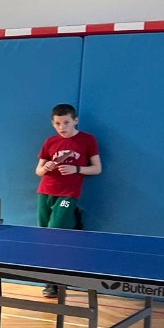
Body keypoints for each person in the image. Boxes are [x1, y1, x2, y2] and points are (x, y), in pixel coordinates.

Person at [35, 103, 102, 297]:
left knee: (55, 232)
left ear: (75, 121)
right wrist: (46, 168)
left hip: (68, 194)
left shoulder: (87, 140)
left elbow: (97, 168)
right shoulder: (50, 141)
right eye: (57, 123)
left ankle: (54, 282)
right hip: (45, 192)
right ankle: (72, 221)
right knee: (45, 236)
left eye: (66, 122)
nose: (62, 127)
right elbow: (38, 171)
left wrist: (76, 169)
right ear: (52, 123)